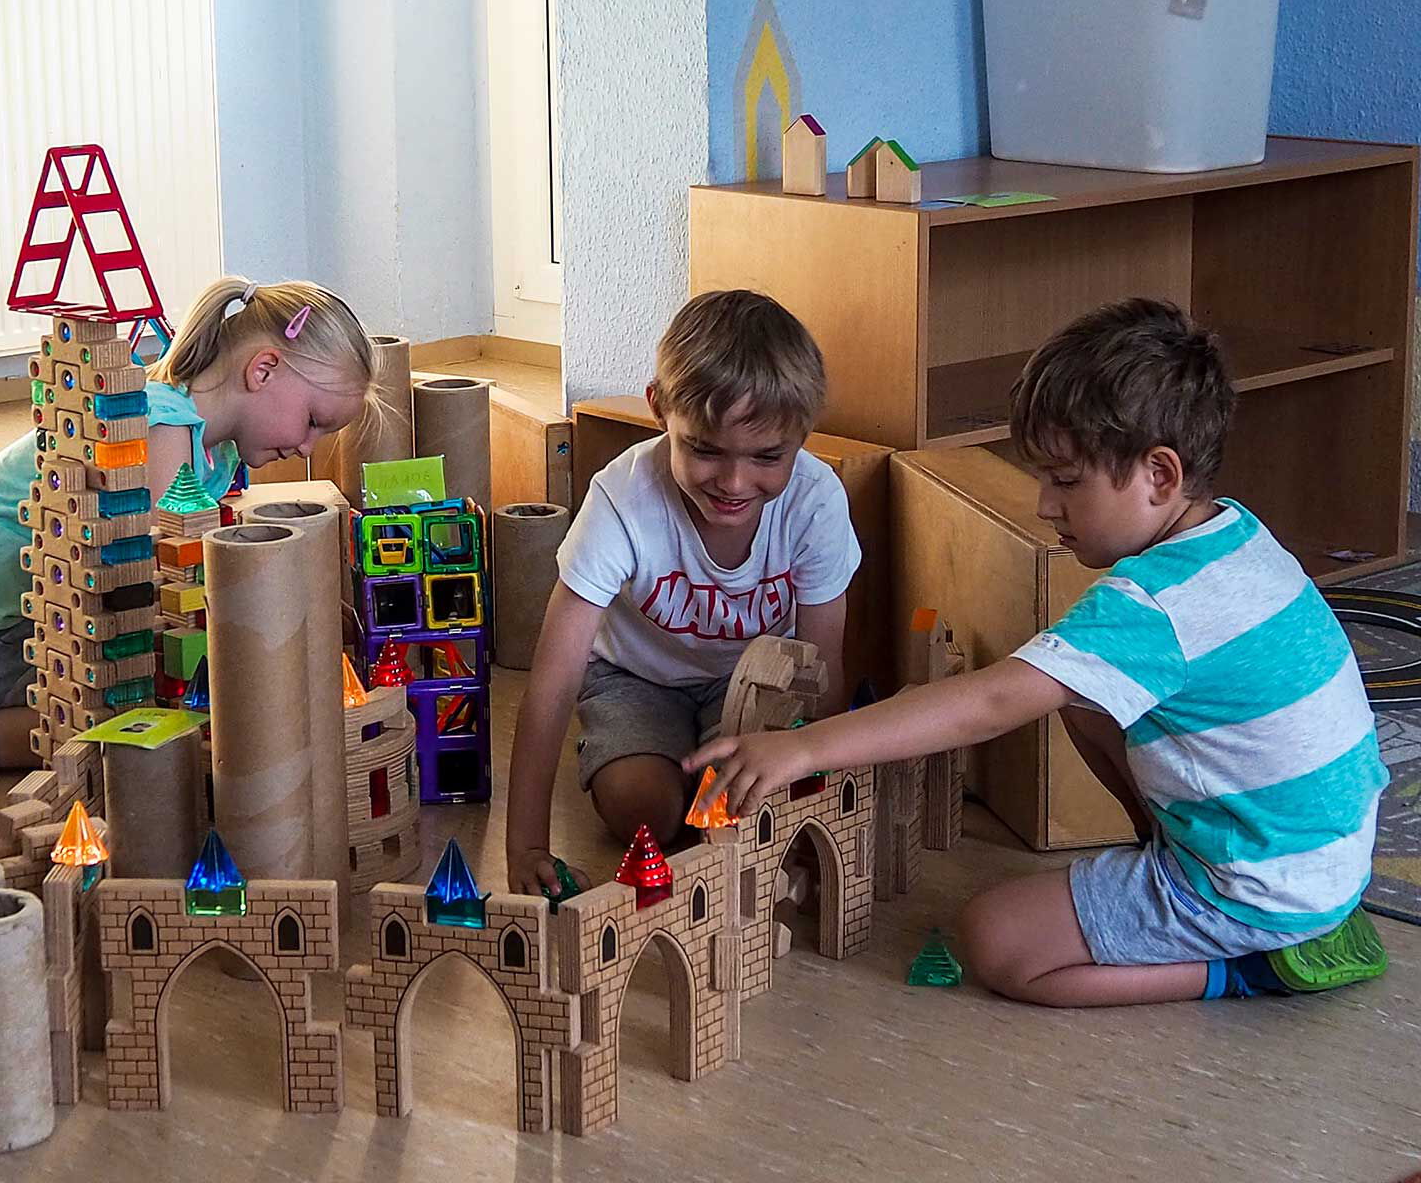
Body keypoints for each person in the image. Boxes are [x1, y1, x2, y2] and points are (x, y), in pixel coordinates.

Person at [685, 298, 1388, 1005]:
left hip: (1263, 887)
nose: (1046, 506)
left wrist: (805, 750)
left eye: (1065, 481)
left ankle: (1244, 967)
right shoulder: (1231, 533)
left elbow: (991, 702)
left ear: (1160, 476)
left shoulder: (1152, 607)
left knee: (998, 940)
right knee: (1081, 698)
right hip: (1326, 853)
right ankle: (1193, 878)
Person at [0, 277, 375, 774]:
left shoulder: (216, 452)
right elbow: (145, 587)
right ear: (263, 369)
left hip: (5, 618)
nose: (308, 447)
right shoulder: (162, 431)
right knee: (117, 721)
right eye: (312, 422)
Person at [505, 289, 862, 896]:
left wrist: (809, 808)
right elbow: (552, 682)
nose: (733, 481)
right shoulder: (621, 498)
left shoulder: (816, 500)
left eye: (768, 456)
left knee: (742, 805)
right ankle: (618, 751)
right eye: (703, 448)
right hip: (631, 679)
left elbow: (820, 671)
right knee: (650, 816)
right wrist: (526, 846)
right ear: (659, 411)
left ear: (804, 435)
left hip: (751, 687)